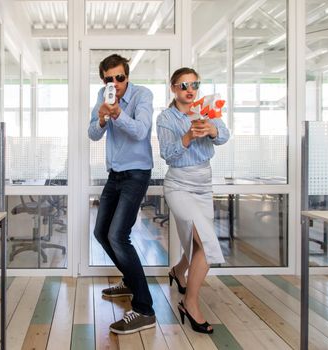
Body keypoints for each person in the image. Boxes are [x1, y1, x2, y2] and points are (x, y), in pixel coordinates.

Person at [156, 67, 229, 334]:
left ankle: (178, 271)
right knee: (208, 244)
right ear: (174, 88)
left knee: (198, 242)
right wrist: (187, 136)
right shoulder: (166, 118)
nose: (190, 90)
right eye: (184, 85)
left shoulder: (208, 109)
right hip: (179, 185)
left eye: (194, 85)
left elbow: (224, 136)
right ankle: (190, 304)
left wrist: (211, 129)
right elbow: (168, 154)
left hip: (204, 184)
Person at [88, 54, 156, 334]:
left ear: (127, 76)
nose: (115, 83)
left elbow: (140, 131)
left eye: (120, 78)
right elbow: (92, 133)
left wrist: (117, 114)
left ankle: (144, 309)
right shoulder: (102, 95)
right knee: (101, 233)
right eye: (109, 79)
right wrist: (103, 118)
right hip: (115, 174)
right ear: (103, 79)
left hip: (137, 172)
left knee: (118, 236)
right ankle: (129, 281)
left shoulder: (143, 95)